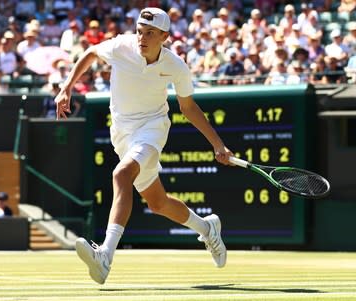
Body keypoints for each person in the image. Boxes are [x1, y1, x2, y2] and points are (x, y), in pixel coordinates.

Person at [54, 7, 232, 285]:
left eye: (150, 33)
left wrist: (218, 144)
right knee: (158, 202)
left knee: (120, 174)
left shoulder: (176, 66)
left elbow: (188, 107)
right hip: (122, 133)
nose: (142, 37)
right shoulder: (121, 46)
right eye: (139, 31)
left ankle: (105, 257)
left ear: (164, 36)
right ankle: (207, 227)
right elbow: (90, 54)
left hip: (152, 129)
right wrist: (67, 87)